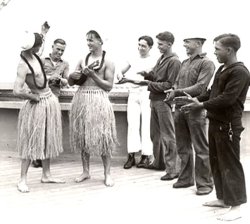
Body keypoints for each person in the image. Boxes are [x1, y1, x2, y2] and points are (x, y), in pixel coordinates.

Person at [181, 33, 249, 221]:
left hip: (228, 126)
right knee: (216, 161)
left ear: (229, 50)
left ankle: (236, 206)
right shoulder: (221, 69)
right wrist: (196, 99)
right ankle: (223, 198)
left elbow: (228, 98)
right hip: (215, 122)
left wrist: (200, 106)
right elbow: (212, 93)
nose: (214, 52)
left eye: (217, 48)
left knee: (230, 164)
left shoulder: (240, 72)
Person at [13, 23, 65, 193]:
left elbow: (40, 44)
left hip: (49, 100)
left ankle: (46, 174)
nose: (40, 48)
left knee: (48, 138)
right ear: (32, 47)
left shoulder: (35, 55)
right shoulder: (23, 64)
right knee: (31, 140)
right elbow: (16, 90)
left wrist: (43, 33)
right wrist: (31, 96)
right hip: (37, 103)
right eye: (38, 45)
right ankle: (22, 179)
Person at [165, 36, 215, 195]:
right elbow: (177, 83)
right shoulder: (184, 63)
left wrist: (177, 92)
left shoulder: (206, 63)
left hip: (195, 110)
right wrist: (172, 91)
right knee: (182, 146)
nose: (184, 44)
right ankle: (186, 178)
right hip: (179, 109)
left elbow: (200, 88)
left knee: (201, 148)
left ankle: (205, 184)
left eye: (188, 41)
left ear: (199, 43)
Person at [68, 30, 117, 187]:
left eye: (91, 40)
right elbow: (71, 82)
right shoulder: (83, 59)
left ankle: (107, 173)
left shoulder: (108, 61)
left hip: (99, 100)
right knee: (83, 136)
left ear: (100, 41)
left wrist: (93, 75)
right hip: (82, 99)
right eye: (87, 40)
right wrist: (72, 76)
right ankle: (85, 171)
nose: (88, 43)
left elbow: (109, 86)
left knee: (104, 137)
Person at [139, 31, 181, 180]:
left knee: (168, 136)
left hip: (164, 102)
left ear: (169, 44)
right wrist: (147, 74)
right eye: (158, 44)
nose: (158, 47)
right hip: (155, 100)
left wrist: (148, 83)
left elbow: (169, 84)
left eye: (161, 44)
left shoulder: (174, 61)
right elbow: (157, 76)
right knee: (155, 135)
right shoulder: (162, 58)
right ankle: (159, 163)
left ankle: (173, 169)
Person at [116, 35, 156, 169]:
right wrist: (120, 75)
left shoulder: (154, 60)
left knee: (146, 125)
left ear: (150, 47)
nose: (140, 48)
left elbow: (149, 80)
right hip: (133, 93)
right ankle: (131, 156)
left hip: (146, 93)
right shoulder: (133, 58)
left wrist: (129, 79)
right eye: (139, 45)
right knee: (132, 124)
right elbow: (121, 71)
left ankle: (145, 156)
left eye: (144, 46)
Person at [32, 38, 69, 168]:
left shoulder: (65, 64)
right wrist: (49, 78)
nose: (59, 52)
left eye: (62, 50)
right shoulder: (42, 61)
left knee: (50, 128)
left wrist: (61, 80)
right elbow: (36, 77)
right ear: (52, 47)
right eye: (58, 49)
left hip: (54, 99)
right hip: (41, 98)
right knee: (39, 127)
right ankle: (36, 156)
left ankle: (45, 156)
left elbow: (67, 81)